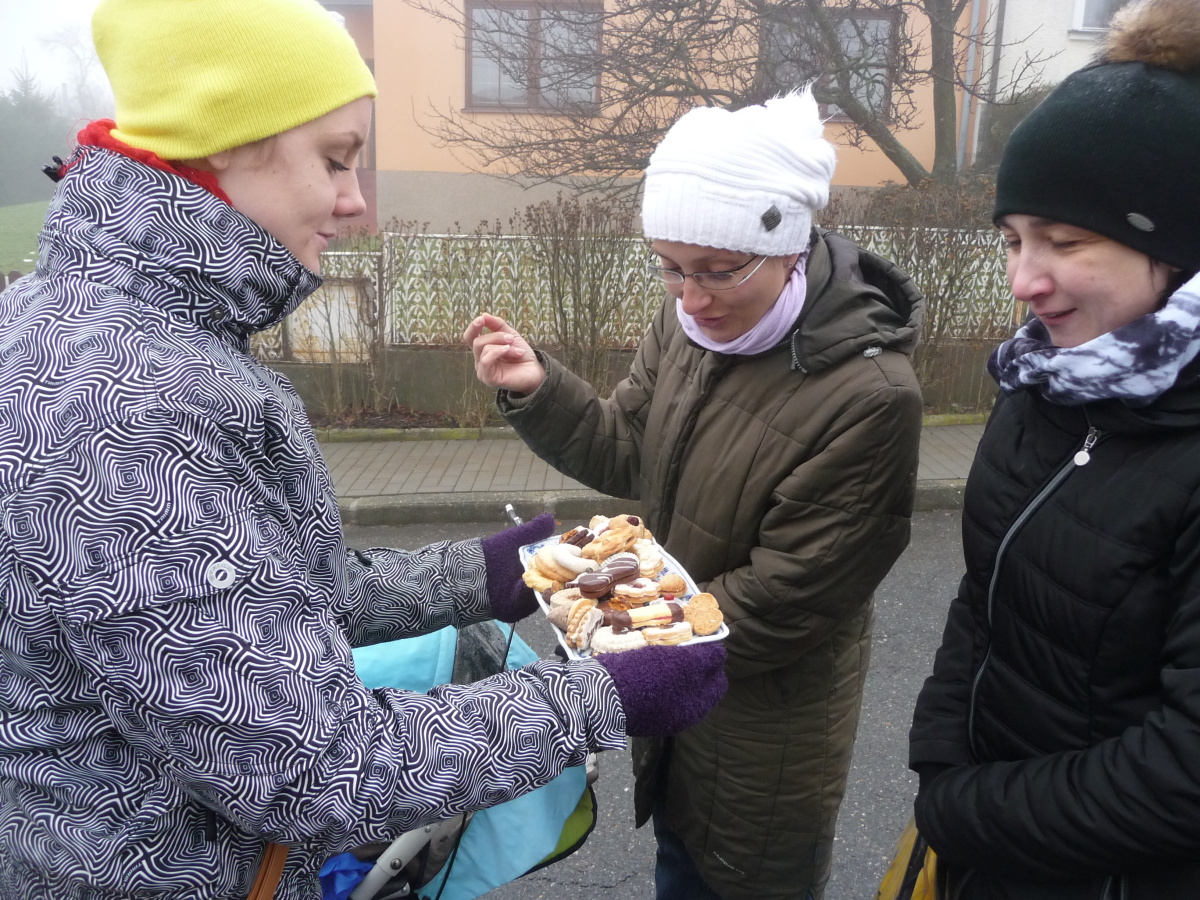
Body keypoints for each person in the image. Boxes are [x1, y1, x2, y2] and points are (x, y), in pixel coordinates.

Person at [0, 2, 727, 898]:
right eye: (335, 159)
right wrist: (603, 696)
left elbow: (277, 605)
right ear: (224, 143)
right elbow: (312, 767)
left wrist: (485, 574)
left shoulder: (117, 329)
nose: (356, 199)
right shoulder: (129, 404)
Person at [466, 88, 924, 899]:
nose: (691, 296)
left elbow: (788, 596)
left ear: (787, 246)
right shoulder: (689, 325)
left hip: (763, 725)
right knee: (679, 858)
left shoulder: (870, 397)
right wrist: (541, 389)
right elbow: (629, 448)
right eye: (671, 268)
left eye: (717, 270)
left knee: (736, 877)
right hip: (679, 688)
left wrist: (619, 631)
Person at [907, 0, 1200, 896]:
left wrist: (966, 811)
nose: (1023, 280)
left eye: (1064, 241)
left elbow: (1184, 772)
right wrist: (939, 750)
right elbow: (986, 594)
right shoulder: (1046, 383)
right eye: (1012, 239)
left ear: (1178, 249)